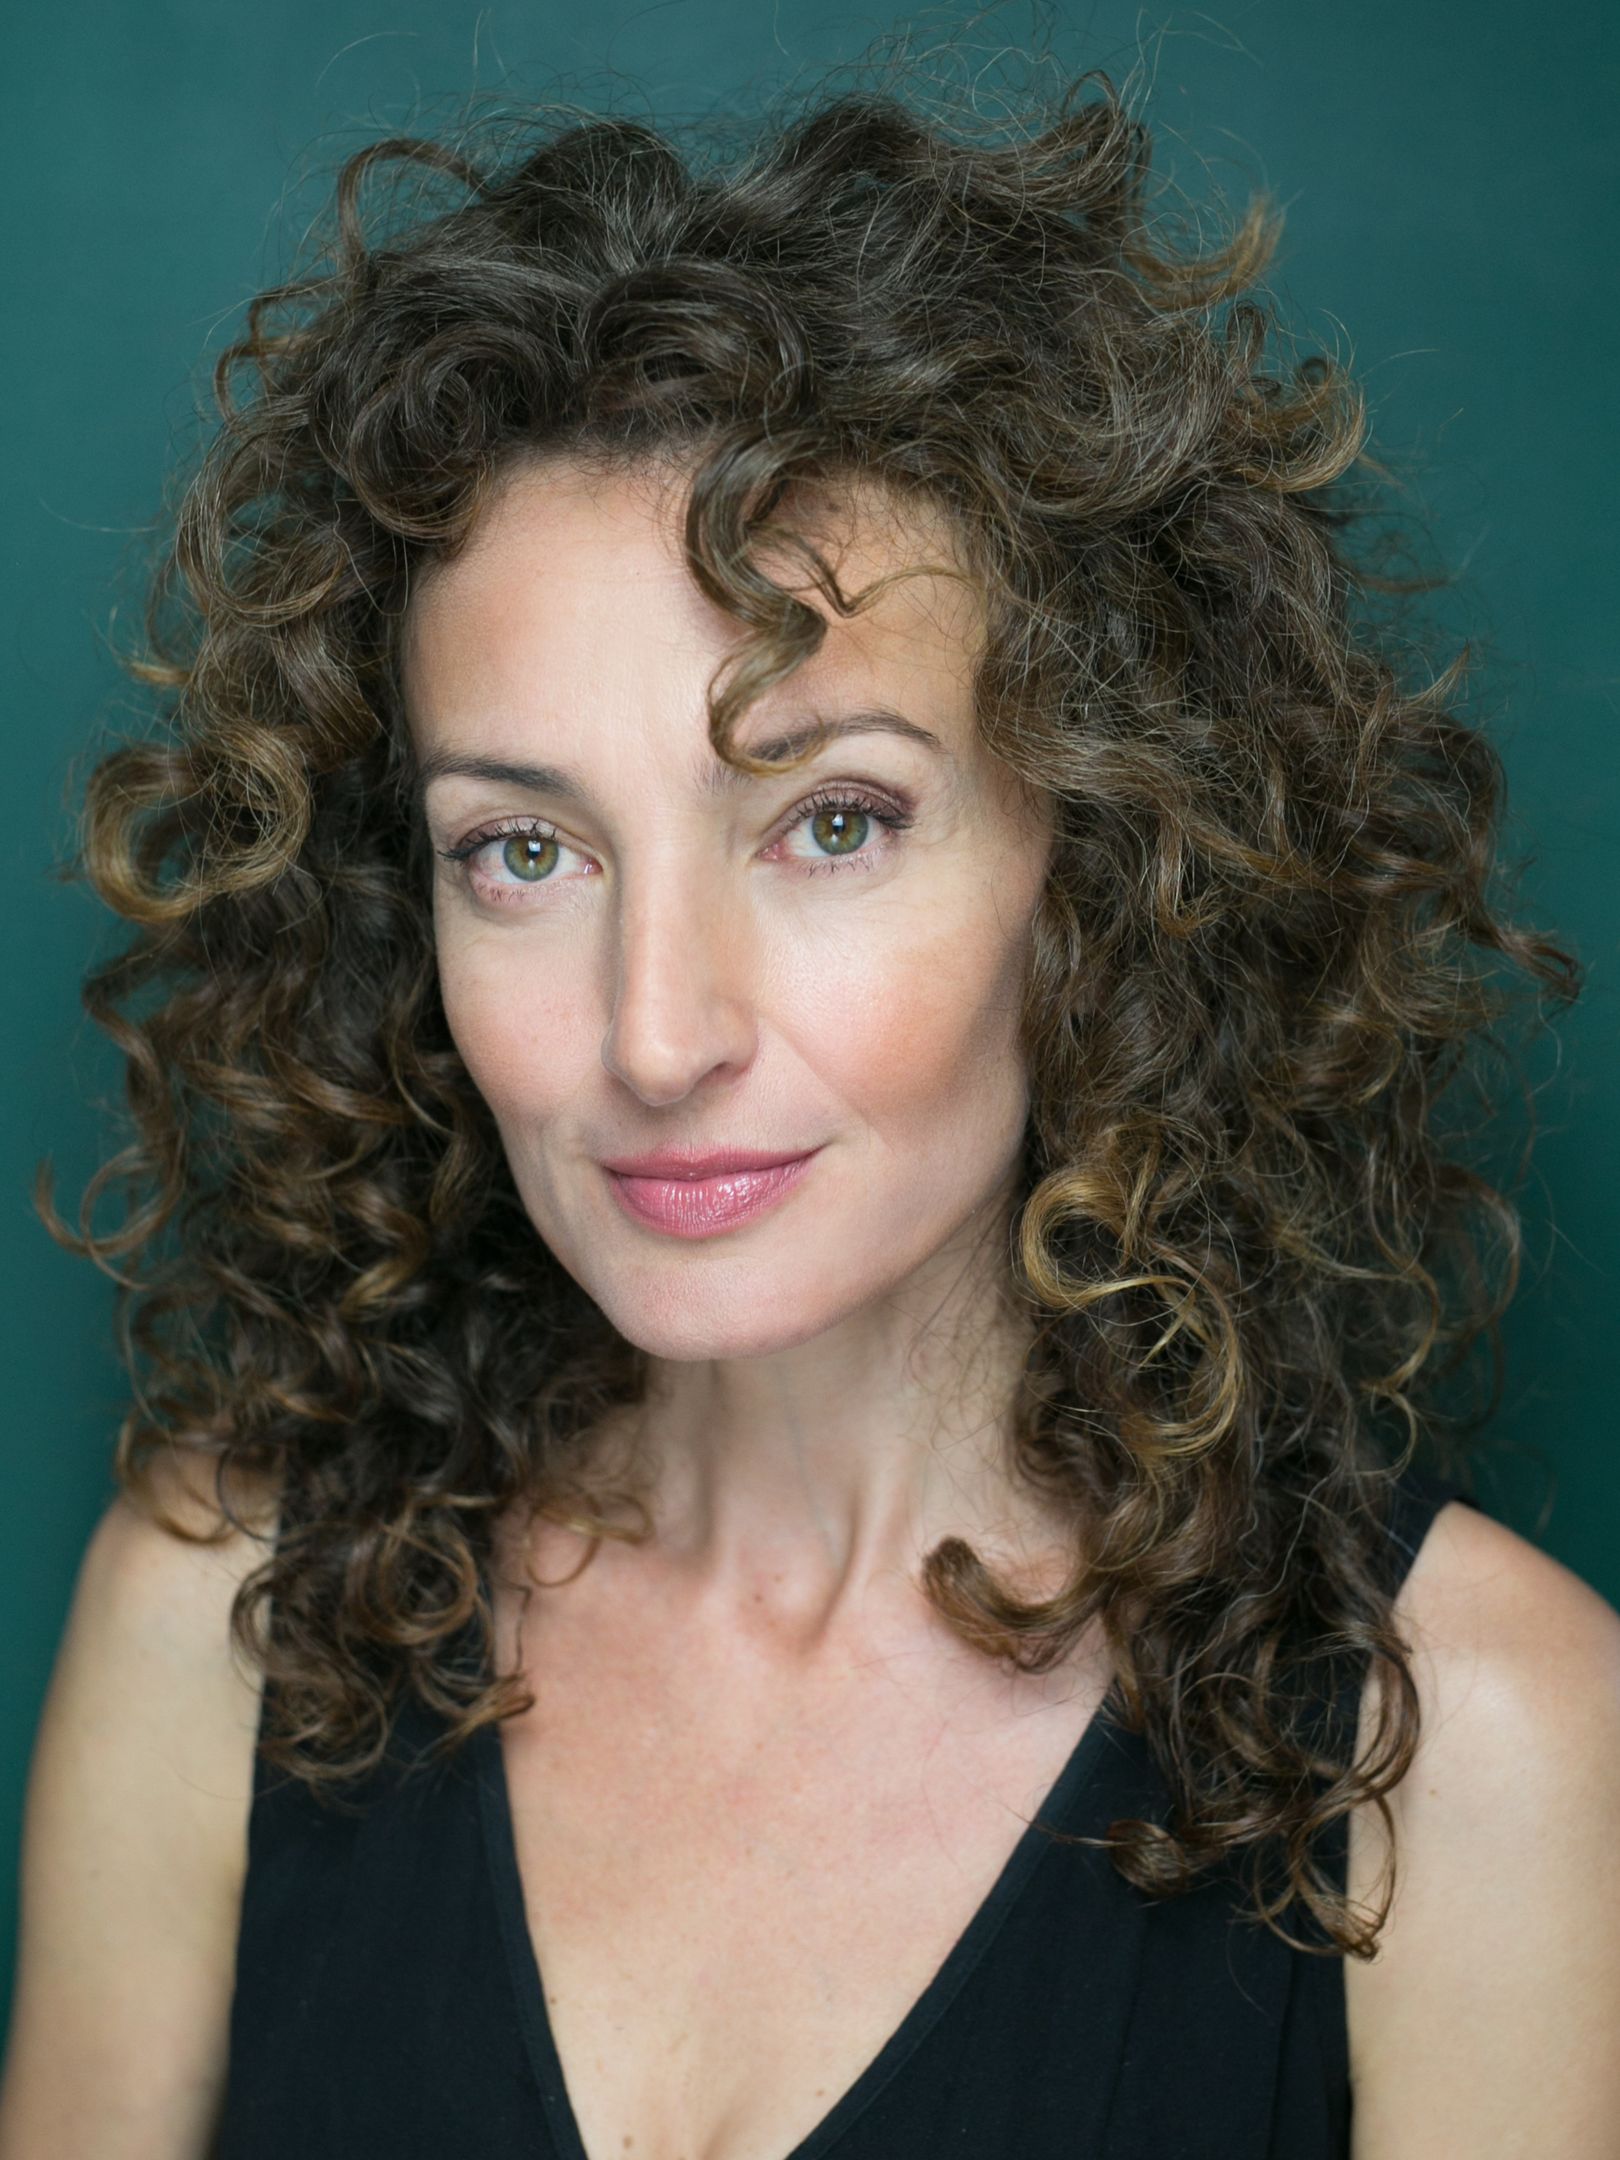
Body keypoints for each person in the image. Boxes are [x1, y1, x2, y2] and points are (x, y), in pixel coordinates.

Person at [3, 57, 1618, 2160]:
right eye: (523, 850)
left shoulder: (1473, 1738)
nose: (655, 1033)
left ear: (1100, 853)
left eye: (832, 820)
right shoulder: (218, 1614)